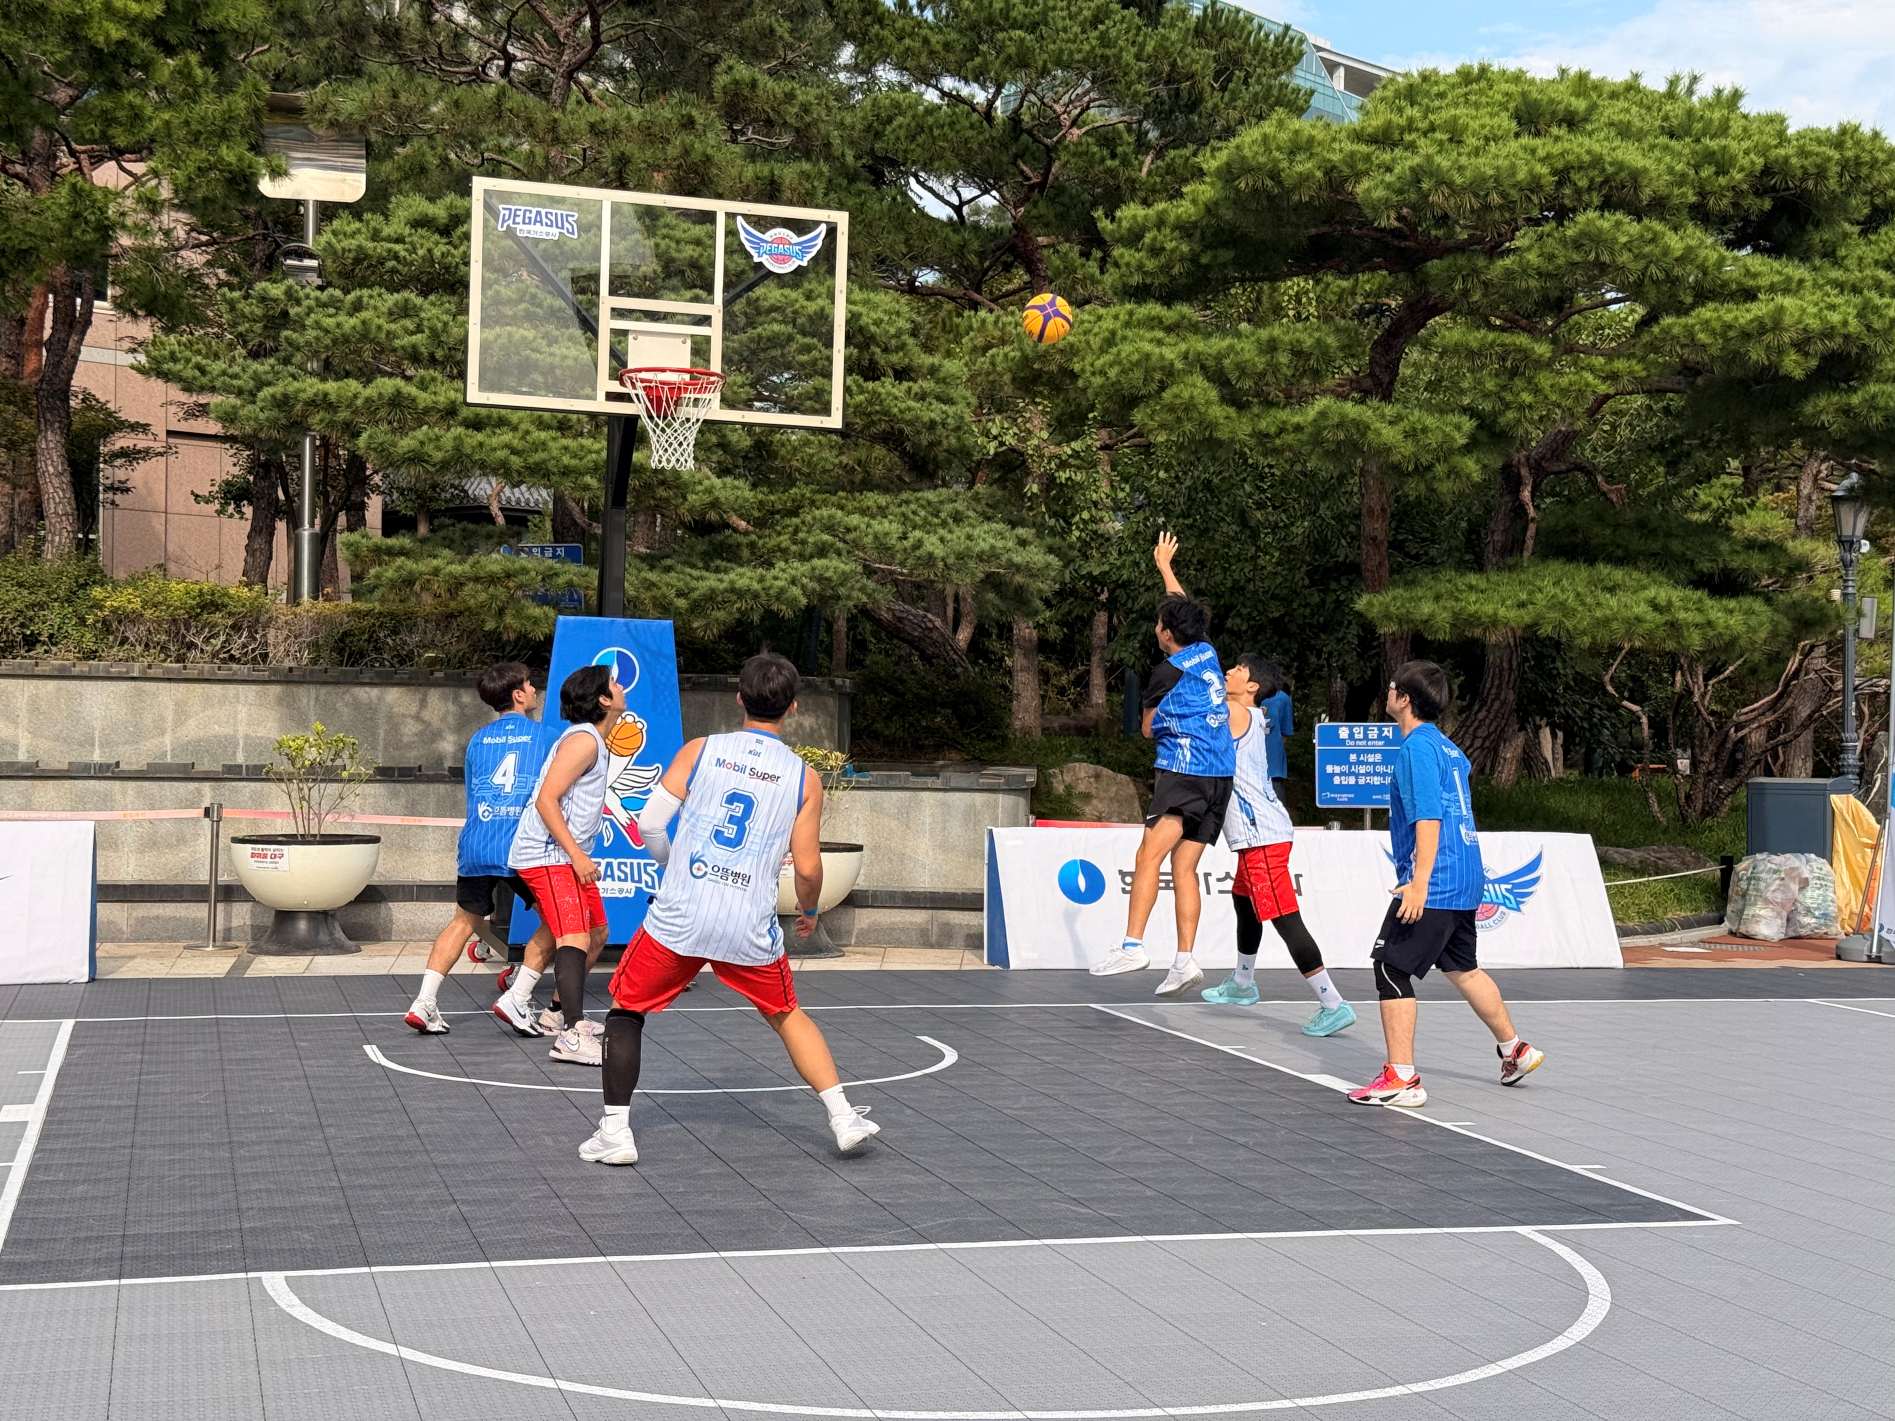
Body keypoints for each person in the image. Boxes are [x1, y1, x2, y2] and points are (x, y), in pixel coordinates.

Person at [578, 652, 881, 1165]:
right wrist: (809, 911)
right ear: (793, 707)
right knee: (787, 1015)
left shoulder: (702, 750)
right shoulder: (803, 778)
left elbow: (649, 823)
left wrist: (672, 866)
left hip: (681, 913)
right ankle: (843, 1116)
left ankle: (616, 1132)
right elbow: (809, 868)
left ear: (739, 698)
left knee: (627, 1012)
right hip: (747, 919)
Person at [1348, 661, 1545, 1108]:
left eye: (1393, 687)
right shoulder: (1449, 749)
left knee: (1390, 967)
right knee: (1463, 968)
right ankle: (1515, 1049)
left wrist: (1419, 883)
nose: (1388, 691)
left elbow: (1429, 817)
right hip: (1465, 876)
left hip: (1435, 879)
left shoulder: (1417, 748)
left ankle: (1402, 1078)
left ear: (1404, 699)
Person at [1091, 533, 1236, 997]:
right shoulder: (1207, 652)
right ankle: (1185, 959)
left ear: (1167, 634)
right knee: (1185, 866)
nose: (1157, 627)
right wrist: (1165, 567)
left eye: (1159, 623)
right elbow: (1183, 608)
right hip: (1220, 777)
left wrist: (1167, 716)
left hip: (1185, 773)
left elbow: (1148, 729)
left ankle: (1132, 945)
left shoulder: (1166, 672)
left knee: (1147, 856)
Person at [1201, 654, 1356, 1037]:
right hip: (1258, 834)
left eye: (1239, 670)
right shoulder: (1248, 715)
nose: (1229, 671)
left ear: (1252, 686)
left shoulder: (1238, 712)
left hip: (1262, 836)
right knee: (1243, 901)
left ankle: (1332, 1003)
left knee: (1285, 919)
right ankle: (1242, 982)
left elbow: (1201, 697)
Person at [404, 662, 556, 1034]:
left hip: (478, 842)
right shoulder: (546, 736)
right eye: (529, 684)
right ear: (518, 694)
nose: (534, 689)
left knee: (462, 923)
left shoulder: (477, 740)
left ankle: (424, 1002)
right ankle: (519, 996)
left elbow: (473, 794)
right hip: (522, 846)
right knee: (560, 923)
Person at [504, 663, 624, 1067]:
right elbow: (546, 799)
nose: (620, 687)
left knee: (597, 932)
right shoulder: (583, 741)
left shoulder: (593, 739)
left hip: (562, 854)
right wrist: (576, 854)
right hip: (548, 853)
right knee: (573, 936)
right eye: (613, 683)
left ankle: (552, 1011)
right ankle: (571, 1035)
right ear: (603, 699)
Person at [1257, 661, 1293, 802]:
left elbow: (1285, 732)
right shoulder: (1248, 695)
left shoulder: (1282, 698)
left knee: (1274, 799)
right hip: (1252, 762)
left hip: (1271, 762)